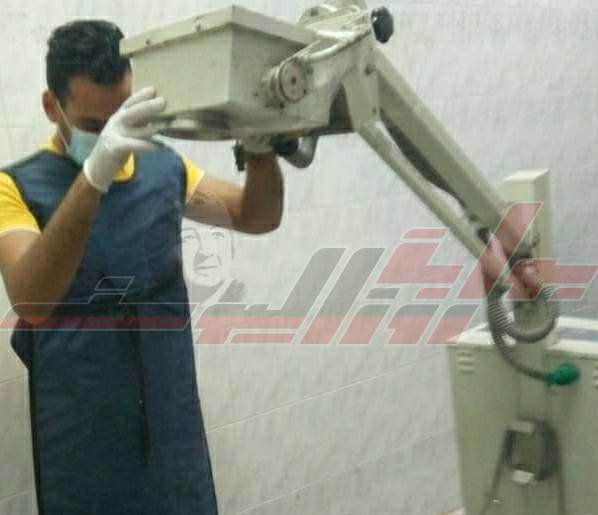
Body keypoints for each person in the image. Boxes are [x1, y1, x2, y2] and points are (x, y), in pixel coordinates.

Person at [0, 20, 284, 515]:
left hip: (169, 422)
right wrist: (95, 174)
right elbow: (31, 300)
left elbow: (254, 215)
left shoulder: (164, 168)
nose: (114, 137)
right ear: (51, 107)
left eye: (123, 118)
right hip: (83, 437)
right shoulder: (16, 187)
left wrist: (260, 149)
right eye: (95, 126)